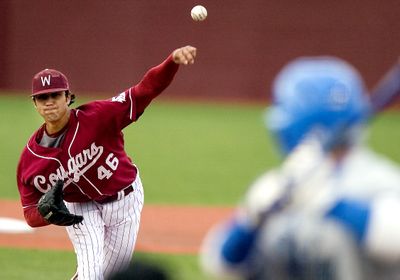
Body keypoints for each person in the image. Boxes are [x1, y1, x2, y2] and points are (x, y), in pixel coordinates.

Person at [200, 56, 400, 279]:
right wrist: (248, 223)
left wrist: (330, 203)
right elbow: (222, 265)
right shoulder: (282, 184)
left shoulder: (379, 181)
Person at [16, 45, 197, 280]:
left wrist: (172, 61)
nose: (49, 102)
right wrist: (48, 215)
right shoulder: (31, 159)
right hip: (79, 208)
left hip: (125, 198)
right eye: (42, 97)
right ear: (35, 104)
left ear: (68, 97)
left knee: (112, 275)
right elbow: (30, 212)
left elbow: (145, 90)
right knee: (92, 275)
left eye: (55, 95)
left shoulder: (98, 116)